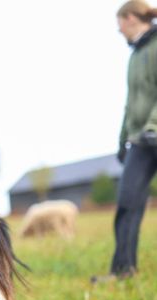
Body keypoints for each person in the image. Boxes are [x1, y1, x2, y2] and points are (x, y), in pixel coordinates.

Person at [99, 1, 157, 281]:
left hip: (153, 131)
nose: (118, 30)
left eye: (119, 22)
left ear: (131, 18)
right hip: (142, 141)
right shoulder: (135, 55)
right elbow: (131, 103)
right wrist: (123, 140)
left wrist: (153, 125)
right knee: (127, 202)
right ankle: (123, 270)